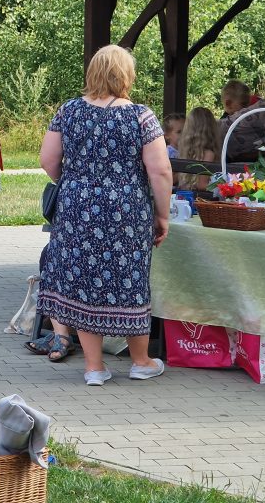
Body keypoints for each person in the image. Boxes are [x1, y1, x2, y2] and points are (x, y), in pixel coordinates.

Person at [37, 45, 172, 386]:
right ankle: (140, 361)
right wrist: (164, 214)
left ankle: (94, 368)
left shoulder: (67, 111)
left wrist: (74, 183)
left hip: (76, 208)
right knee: (129, 279)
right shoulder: (142, 117)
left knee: (83, 280)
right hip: (127, 210)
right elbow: (160, 171)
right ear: (126, 76)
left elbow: (47, 160)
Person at [176, 107, 221, 190]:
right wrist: (225, 187)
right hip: (201, 199)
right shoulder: (208, 154)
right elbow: (202, 185)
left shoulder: (185, 150)